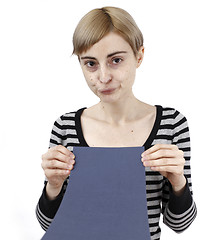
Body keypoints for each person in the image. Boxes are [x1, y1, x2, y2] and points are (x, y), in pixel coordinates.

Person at [36, 6, 197, 239]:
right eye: (90, 63)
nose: (103, 77)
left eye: (116, 60)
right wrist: (53, 186)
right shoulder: (66, 126)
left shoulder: (171, 123)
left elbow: (180, 224)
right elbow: (48, 225)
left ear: (139, 56)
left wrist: (178, 181)